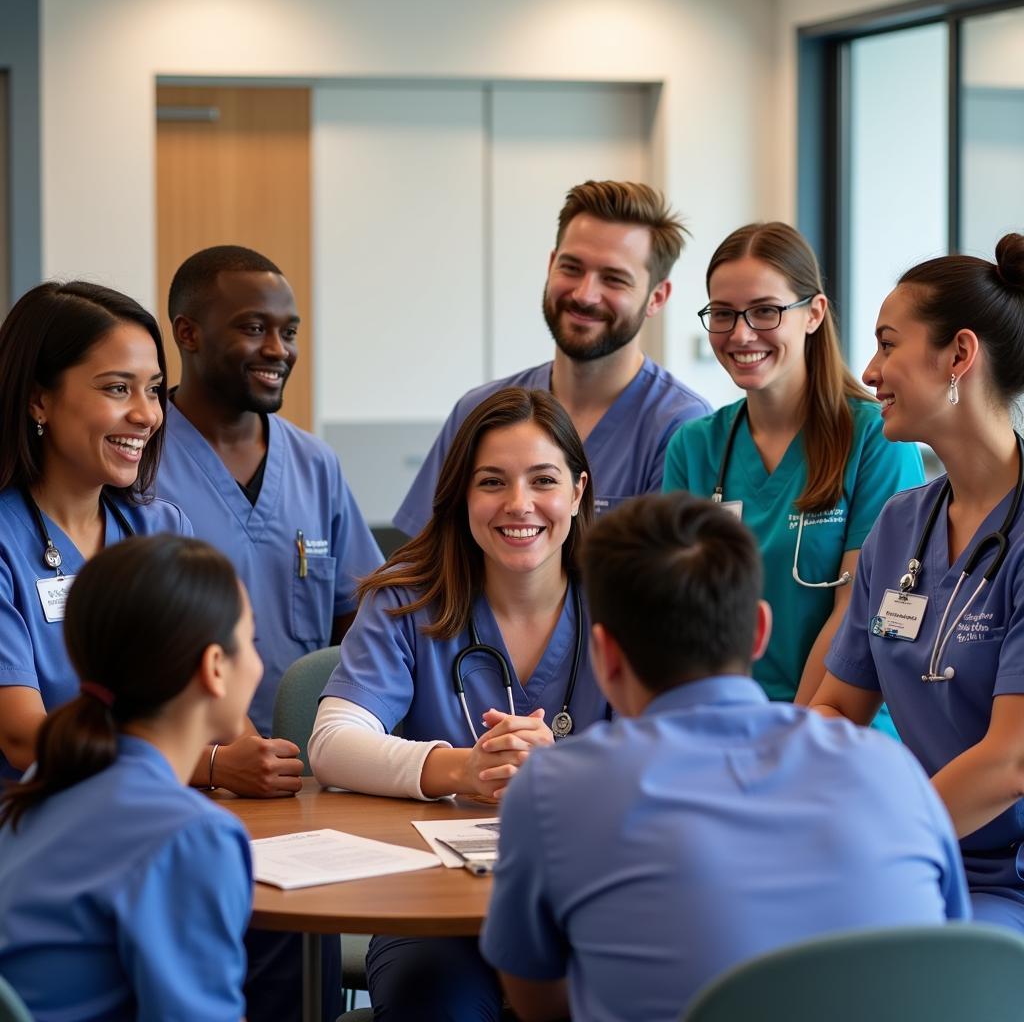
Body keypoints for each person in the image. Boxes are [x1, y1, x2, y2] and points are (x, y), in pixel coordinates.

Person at [481, 493, 969, 1022]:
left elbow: (538, 1003)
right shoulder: (894, 770)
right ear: (759, 631)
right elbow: (948, 960)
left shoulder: (553, 792)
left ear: (605, 654)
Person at [311, 386, 606, 1021]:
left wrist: (565, 770)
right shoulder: (405, 601)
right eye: (492, 482)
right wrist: (463, 768)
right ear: (462, 496)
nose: (518, 505)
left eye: (543, 480)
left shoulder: (624, 603)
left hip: (589, 899)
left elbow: (677, 746)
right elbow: (332, 743)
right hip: (430, 912)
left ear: (579, 492)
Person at [814, 233, 1024, 931]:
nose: (868, 371)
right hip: (913, 857)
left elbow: (1011, 759)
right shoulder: (901, 525)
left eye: (886, 343)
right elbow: (840, 709)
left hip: (1005, 881)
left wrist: (881, 844)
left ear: (960, 355)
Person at [662, 222, 923, 730]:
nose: (741, 333)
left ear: (814, 314)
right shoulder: (694, 448)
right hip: (727, 727)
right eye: (723, 313)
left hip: (843, 723)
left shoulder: (876, 439)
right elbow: (680, 616)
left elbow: (855, 614)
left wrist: (786, 740)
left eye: (765, 311)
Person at [0, 534, 259, 1021]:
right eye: (251, 641)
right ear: (215, 668)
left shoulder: (47, 777)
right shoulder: (191, 836)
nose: (259, 663)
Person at [157, 244, 383, 798]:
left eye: (290, 332)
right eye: (255, 328)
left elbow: (360, 622)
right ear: (188, 333)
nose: (278, 350)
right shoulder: (137, 464)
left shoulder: (315, 464)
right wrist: (210, 760)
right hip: (185, 776)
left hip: (306, 772)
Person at [394, 179, 711, 536]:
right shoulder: (478, 410)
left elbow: (667, 584)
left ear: (657, 297)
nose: (585, 294)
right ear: (550, 265)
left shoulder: (680, 428)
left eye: (614, 279)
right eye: (572, 268)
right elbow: (421, 563)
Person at [0, 282, 191, 781]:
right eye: (116, 388)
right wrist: (204, 765)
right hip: (35, 827)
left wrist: (251, 753)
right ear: (39, 400)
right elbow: (23, 737)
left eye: (153, 389)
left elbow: (210, 687)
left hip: (154, 808)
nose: (147, 414)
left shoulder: (162, 528)